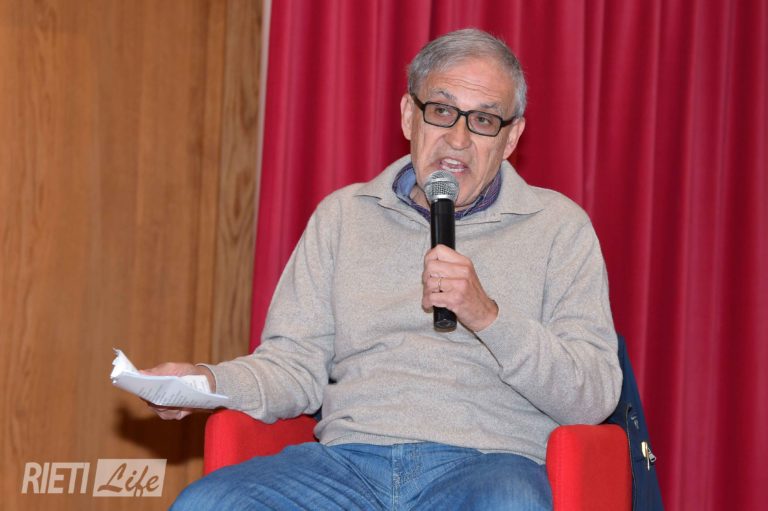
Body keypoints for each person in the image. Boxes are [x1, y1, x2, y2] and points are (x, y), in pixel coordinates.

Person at [144, 28, 622, 510]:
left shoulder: (559, 227)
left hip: (487, 467)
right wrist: (204, 382)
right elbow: (293, 367)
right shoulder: (343, 216)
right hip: (346, 466)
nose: (457, 139)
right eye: (441, 111)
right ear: (409, 116)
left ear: (511, 136)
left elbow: (593, 396)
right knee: (208, 502)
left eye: (483, 120)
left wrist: (488, 317)